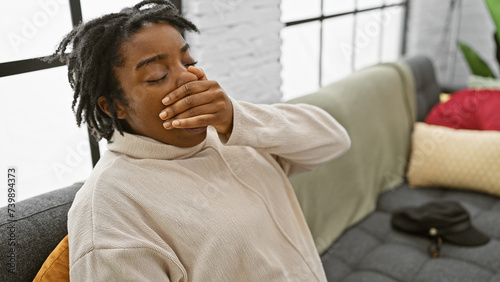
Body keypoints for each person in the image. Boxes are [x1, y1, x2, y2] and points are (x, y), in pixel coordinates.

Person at [50, 0, 351, 280]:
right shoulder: (109, 208)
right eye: (157, 75)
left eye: (188, 61)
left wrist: (236, 116)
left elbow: (334, 141)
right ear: (114, 105)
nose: (189, 78)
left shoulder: (235, 133)